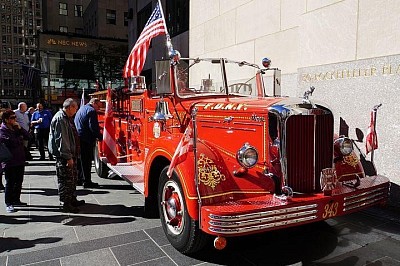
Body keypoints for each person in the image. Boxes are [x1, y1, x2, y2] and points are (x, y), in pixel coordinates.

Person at [48, 98, 84, 213]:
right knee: (65, 181)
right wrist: (68, 157)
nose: (76, 111)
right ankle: (65, 203)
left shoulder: (66, 118)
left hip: (70, 154)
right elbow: (62, 140)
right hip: (64, 156)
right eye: (75, 108)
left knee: (72, 179)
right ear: (69, 107)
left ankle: (71, 199)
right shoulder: (60, 119)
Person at [0, 110, 30, 213]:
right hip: (10, 161)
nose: (14, 119)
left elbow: (27, 137)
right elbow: (11, 142)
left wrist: (20, 129)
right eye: (12, 118)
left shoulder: (16, 128)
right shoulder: (2, 130)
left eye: (15, 117)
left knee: (19, 181)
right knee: (10, 182)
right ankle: (9, 203)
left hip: (20, 159)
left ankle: (16, 199)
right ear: (6, 119)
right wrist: (19, 139)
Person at [74, 98, 102, 188]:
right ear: (94, 103)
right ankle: (87, 181)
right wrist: (99, 136)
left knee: (80, 160)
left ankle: (79, 179)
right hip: (86, 139)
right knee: (86, 161)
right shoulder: (91, 111)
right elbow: (93, 126)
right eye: (98, 106)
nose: (98, 109)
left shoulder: (82, 108)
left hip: (79, 137)